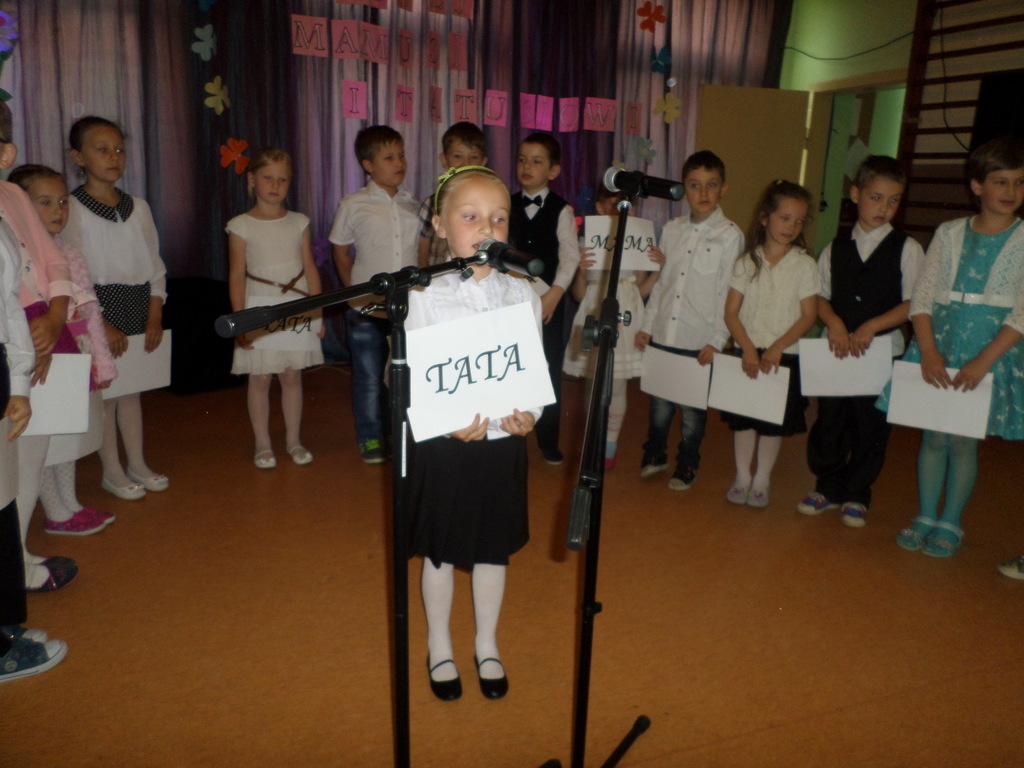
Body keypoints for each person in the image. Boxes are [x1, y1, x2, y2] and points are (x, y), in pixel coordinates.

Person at [405, 165, 541, 702]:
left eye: (499, 218)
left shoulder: (522, 292)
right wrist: (445, 420)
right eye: (471, 216)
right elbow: (414, 379)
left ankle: (487, 642)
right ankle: (438, 643)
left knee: (491, 551)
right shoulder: (423, 294)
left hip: (501, 446)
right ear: (441, 225)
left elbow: (530, 367)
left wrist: (530, 415)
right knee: (439, 552)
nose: (487, 227)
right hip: (446, 447)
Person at [878, 137, 1024, 558]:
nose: (1011, 191)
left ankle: (951, 521)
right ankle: (926, 514)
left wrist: (984, 361)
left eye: (1019, 182)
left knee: (963, 440)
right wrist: (928, 351)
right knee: (934, 435)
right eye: (1000, 182)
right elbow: (922, 298)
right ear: (977, 186)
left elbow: (1021, 312)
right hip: (940, 346)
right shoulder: (949, 232)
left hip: (988, 352)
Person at [798, 156, 925, 528]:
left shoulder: (907, 248)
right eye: (876, 198)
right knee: (831, 420)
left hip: (881, 352)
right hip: (836, 351)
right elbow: (819, 296)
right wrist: (834, 322)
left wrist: (872, 326)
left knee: (870, 426)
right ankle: (827, 486)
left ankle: (857, 494)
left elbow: (914, 303)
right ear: (855, 194)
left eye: (893, 200)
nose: (884, 208)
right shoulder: (835, 248)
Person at [61, 115, 169, 501]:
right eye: (102, 150)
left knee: (132, 391)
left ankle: (136, 462)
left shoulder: (138, 207)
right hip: (99, 312)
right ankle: (111, 470)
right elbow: (74, 274)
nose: (113, 157)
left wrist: (155, 312)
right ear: (78, 157)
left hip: (139, 307)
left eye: (119, 150)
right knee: (107, 393)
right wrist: (101, 324)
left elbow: (155, 266)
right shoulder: (74, 209)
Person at [10, 164, 117, 537]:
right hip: (41, 348)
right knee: (44, 434)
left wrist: (100, 362)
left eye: (62, 201)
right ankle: (55, 510)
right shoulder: (20, 254)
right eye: (45, 202)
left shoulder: (68, 252)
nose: (57, 210)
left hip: (71, 350)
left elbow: (88, 311)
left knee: (66, 431)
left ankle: (69, 503)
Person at [0, 109, 82, 591]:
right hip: (12, 336)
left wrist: (54, 317)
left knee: (30, 453)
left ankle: (18, 557)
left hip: (36, 326)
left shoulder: (13, 196)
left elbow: (52, 260)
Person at [634, 150, 744, 488]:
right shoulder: (671, 229)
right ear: (684, 189)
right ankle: (655, 453)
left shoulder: (730, 235)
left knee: (693, 411)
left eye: (711, 184)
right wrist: (647, 325)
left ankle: (687, 463)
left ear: (724, 188)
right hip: (665, 333)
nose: (703, 193)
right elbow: (663, 283)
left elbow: (728, 292)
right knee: (660, 404)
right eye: (695, 185)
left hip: (699, 338)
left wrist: (718, 339)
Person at [722, 180, 820, 508]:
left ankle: (762, 479)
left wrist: (777, 347)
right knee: (745, 420)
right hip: (747, 352)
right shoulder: (745, 262)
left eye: (799, 221)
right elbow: (731, 313)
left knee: (772, 423)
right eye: (784, 218)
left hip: (784, 356)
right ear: (765, 218)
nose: (791, 227)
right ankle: (742, 477)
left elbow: (808, 315)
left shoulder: (804, 265)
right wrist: (748, 348)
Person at [228, 148, 323, 469]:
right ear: (252, 180)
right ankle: (263, 443)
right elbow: (236, 275)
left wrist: (317, 313)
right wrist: (240, 320)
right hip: (258, 306)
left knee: (291, 374)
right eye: (268, 178)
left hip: (294, 305)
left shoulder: (299, 222)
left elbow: (310, 268)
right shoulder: (240, 226)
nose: (275, 185)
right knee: (260, 377)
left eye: (282, 180)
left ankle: (294, 440)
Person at [330, 125, 419, 464]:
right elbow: (340, 251)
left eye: (401, 155)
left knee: (400, 375)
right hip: (365, 308)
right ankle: (369, 435)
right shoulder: (353, 204)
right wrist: (355, 293)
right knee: (368, 377)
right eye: (389, 157)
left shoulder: (414, 205)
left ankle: (397, 432)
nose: (400, 163)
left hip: (406, 308)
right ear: (368, 165)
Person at [564, 184, 662, 468]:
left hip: (625, 315)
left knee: (617, 384)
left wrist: (657, 272)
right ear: (599, 207)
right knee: (594, 384)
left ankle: (610, 443)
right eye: (612, 205)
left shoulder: (636, 240)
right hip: (595, 309)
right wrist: (581, 272)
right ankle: (592, 438)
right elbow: (579, 294)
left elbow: (640, 290)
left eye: (624, 206)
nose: (619, 211)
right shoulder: (587, 242)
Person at [509, 132, 579, 464]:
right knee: (510, 366)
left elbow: (570, 257)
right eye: (522, 159)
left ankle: (548, 437)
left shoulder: (561, 210)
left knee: (547, 368)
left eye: (536, 161)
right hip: (510, 300)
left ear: (553, 171)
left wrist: (555, 294)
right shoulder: (505, 203)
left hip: (547, 303)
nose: (527, 166)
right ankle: (507, 432)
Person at [416, 121, 488, 267]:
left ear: (483, 162)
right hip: (439, 278)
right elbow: (422, 251)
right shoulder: (432, 204)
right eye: (457, 156)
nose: (466, 163)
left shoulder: (489, 204)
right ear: (444, 160)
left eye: (473, 157)